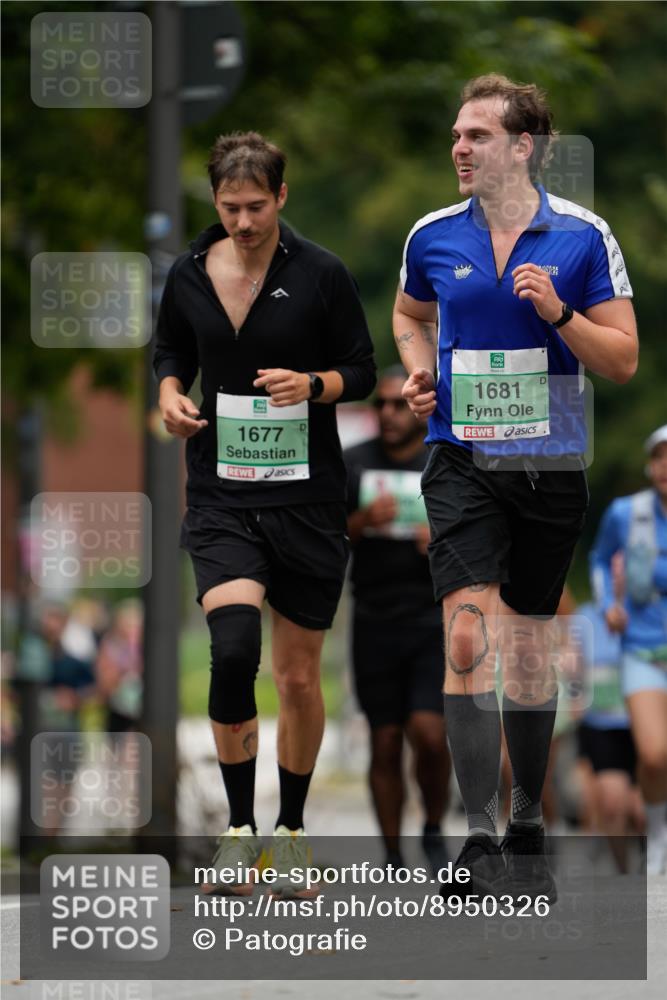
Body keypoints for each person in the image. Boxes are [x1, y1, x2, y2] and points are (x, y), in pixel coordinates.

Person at [393, 73, 638, 901]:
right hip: (459, 456)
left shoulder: (581, 237)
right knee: (466, 637)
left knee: (528, 651)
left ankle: (528, 824)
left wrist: (560, 317)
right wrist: (419, 373)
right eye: (455, 135)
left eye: (476, 136)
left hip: (548, 462)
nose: (458, 148)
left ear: (522, 145)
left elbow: (623, 359)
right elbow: (407, 313)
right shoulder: (431, 235)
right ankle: (479, 836)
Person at [154, 131, 375, 896]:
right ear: (214, 202)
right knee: (234, 645)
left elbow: (362, 371)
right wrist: (170, 397)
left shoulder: (322, 275)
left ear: (281, 197)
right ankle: (238, 831)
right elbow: (169, 353)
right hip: (221, 494)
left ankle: (292, 832)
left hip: (308, 497)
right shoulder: (187, 272)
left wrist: (312, 386)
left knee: (298, 678)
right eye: (229, 207)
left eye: (255, 206)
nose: (243, 222)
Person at [344, 365, 451, 874]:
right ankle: (390, 852)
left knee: (429, 734)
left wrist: (441, 543)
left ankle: (433, 826)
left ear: (417, 409)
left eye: (395, 405)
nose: (386, 414)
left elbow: (481, 536)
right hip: (373, 617)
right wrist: (360, 524)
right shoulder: (353, 464)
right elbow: (322, 537)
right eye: (379, 405)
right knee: (384, 739)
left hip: (433, 620)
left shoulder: (444, 461)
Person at [590, 426, 667, 875]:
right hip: (641, 650)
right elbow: (600, 561)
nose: (666, 467)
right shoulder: (627, 514)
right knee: (654, 753)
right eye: (660, 457)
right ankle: (657, 834)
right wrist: (608, 606)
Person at [575, 594, 644, 873]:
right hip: (600, 723)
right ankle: (624, 874)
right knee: (613, 804)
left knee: (640, 813)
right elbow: (570, 664)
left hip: (643, 724)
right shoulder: (584, 616)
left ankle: (651, 863)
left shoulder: (653, 610)